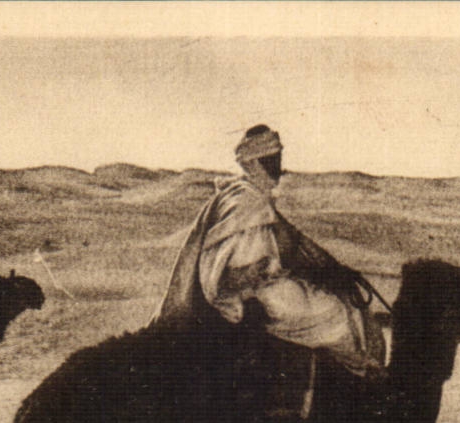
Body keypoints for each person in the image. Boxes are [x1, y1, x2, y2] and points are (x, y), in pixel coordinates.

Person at [152, 125, 388, 390]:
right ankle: (357, 369)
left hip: (261, 284)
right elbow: (221, 272)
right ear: (254, 163)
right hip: (247, 293)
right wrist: (265, 271)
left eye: (278, 160)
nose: (278, 168)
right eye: (271, 162)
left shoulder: (250, 196)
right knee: (333, 311)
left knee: (328, 293)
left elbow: (288, 243)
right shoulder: (246, 202)